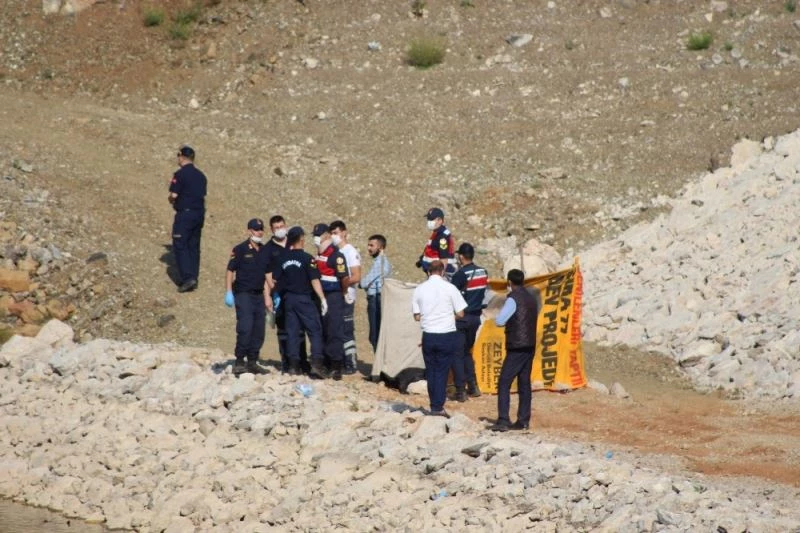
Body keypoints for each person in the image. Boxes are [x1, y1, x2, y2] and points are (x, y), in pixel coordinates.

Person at [412, 260, 467, 418]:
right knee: (442, 371)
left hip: (428, 335)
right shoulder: (450, 288)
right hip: (446, 334)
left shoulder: (420, 289)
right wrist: (447, 316)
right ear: (443, 272)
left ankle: (433, 404)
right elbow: (461, 313)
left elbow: (416, 316)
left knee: (431, 371)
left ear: (428, 272)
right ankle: (438, 406)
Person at [488, 269, 542, 432]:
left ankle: (503, 419)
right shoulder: (532, 298)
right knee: (524, 382)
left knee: (504, 381)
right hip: (530, 344)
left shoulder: (513, 299)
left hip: (516, 345)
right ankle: (523, 420)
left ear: (510, 282)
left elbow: (500, 321)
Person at [272, 226, 328, 378]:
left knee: (292, 333)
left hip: (288, 300)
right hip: (304, 299)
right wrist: (322, 298)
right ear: (302, 239)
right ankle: (317, 364)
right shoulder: (307, 258)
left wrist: (276, 295)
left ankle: (293, 366)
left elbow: (275, 279)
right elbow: (314, 280)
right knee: (315, 330)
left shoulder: (283, 258)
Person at [224, 218, 270, 377]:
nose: (259, 232)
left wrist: (268, 296)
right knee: (245, 326)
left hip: (258, 295)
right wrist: (228, 291)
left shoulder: (264, 250)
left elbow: (265, 275)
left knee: (259, 329)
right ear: (249, 231)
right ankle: (239, 360)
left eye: (261, 229)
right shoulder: (240, 249)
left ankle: (252, 361)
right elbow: (230, 270)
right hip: (243, 293)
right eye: (256, 229)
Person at [264, 215, 308, 373]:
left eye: (282, 226)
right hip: (279, 294)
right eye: (276, 228)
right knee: (283, 329)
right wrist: (268, 296)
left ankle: (302, 361)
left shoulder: (293, 243)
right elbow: (266, 274)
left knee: (299, 329)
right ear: (271, 229)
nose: (279, 230)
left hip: (297, 292)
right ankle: (286, 361)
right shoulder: (268, 249)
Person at [450, 242, 488, 401]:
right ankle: (473, 386)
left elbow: (450, 293)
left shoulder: (460, 274)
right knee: (467, 353)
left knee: (457, 354)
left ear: (461, 256)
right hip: (476, 318)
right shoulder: (483, 272)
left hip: (462, 318)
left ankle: (460, 390)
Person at [312, 223, 349, 380]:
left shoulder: (336, 255)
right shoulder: (319, 253)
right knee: (322, 329)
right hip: (321, 296)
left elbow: (344, 277)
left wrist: (344, 292)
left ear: (326, 236)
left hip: (333, 295)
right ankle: (323, 362)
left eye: (318, 235)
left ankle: (336, 365)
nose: (316, 238)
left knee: (334, 330)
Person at [168, 145, 207, 293]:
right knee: (193, 246)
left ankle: (187, 277)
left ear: (181, 156)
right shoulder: (201, 176)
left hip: (185, 214)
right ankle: (194, 277)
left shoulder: (180, 174)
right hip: (199, 214)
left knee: (180, 244)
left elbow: (174, 195)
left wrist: (171, 200)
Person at [329, 220, 361, 374]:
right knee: (336, 328)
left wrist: (343, 285)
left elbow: (356, 276)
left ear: (344, 233)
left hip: (347, 295)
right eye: (332, 234)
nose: (334, 236)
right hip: (336, 296)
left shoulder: (350, 251)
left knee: (347, 329)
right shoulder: (334, 252)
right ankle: (339, 360)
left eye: (336, 233)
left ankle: (351, 362)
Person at [360, 234, 392, 352]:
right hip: (376, 299)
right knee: (376, 334)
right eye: (368, 245)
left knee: (375, 335)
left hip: (377, 300)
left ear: (380, 247)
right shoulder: (380, 261)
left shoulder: (381, 262)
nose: (369, 248)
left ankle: (381, 367)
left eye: (372, 245)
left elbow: (365, 282)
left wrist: (360, 282)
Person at [417, 207, 455, 279]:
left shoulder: (442, 237)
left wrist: (439, 278)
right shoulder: (437, 232)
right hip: (432, 272)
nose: (429, 221)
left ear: (440, 220)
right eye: (428, 219)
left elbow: (444, 259)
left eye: (431, 219)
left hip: (438, 274)